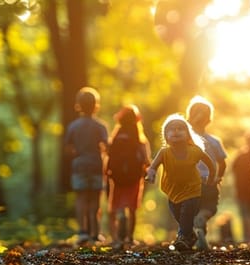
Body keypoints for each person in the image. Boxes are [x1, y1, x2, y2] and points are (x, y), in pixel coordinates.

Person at [145, 114, 217, 252]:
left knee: (186, 215)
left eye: (180, 129)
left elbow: (210, 164)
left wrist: (211, 177)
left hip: (192, 190)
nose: (176, 131)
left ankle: (181, 239)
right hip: (172, 191)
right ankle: (192, 236)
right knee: (180, 217)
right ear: (166, 135)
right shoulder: (164, 152)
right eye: (172, 129)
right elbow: (153, 166)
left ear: (188, 134)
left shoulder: (195, 151)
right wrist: (151, 173)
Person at [64, 87, 109, 245]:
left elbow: (68, 148)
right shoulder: (100, 126)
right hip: (96, 165)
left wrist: (77, 153)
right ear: (96, 105)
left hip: (79, 166)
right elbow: (106, 146)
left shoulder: (73, 126)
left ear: (79, 105)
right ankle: (95, 233)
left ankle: (82, 232)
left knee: (81, 199)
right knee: (95, 200)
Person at [185, 96, 228, 250]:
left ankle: (194, 237)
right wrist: (218, 177)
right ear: (209, 119)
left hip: (189, 182)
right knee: (209, 207)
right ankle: (200, 229)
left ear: (189, 117)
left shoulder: (185, 141)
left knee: (190, 211)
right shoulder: (214, 141)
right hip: (209, 181)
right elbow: (222, 162)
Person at [105, 105, 150, 248]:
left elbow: (109, 156)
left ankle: (115, 237)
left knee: (114, 207)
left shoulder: (115, 138)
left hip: (117, 178)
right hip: (134, 178)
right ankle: (130, 237)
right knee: (132, 208)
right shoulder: (139, 140)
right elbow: (146, 160)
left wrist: (107, 171)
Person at [231, 134, 250, 242]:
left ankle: (248, 238)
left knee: (248, 216)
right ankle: (249, 238)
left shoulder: (240, 156)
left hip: (247, 191)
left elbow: (233, 171)